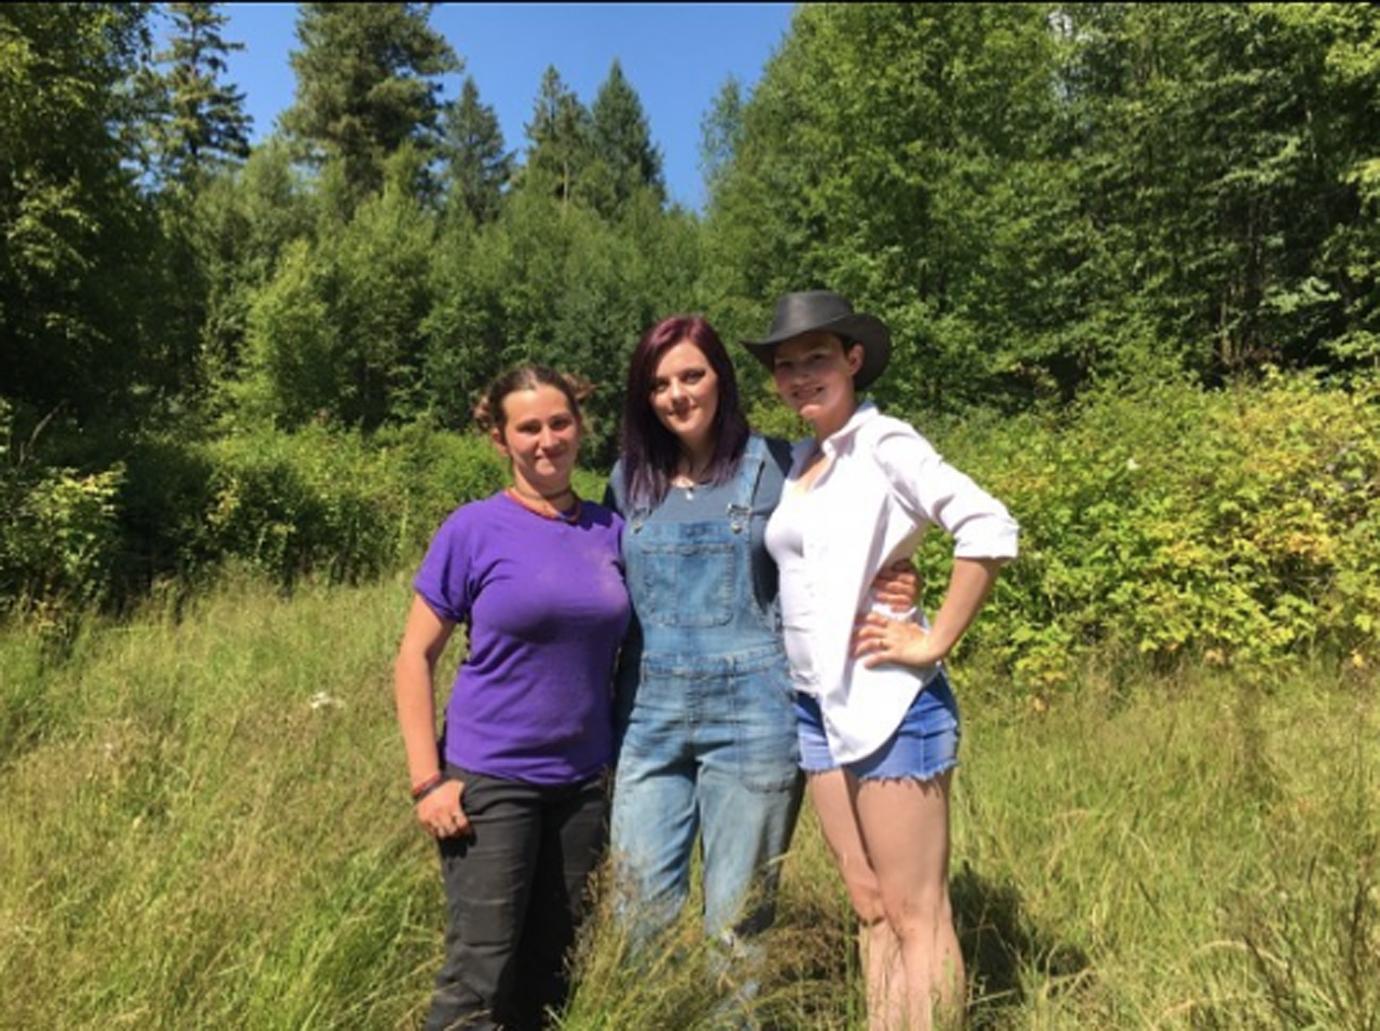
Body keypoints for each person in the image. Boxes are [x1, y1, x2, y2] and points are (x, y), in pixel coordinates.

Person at [604, 314, 918, 977]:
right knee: (638, 918)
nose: (678, 394)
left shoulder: (780, 464)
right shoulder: (626, 481)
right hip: (645, 721)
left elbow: (842, 540)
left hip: (753, 719)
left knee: (736, 924)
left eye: (693, 374)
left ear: (721, 378)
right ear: (644, 395)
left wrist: (893, 575)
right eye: (660, 383)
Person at [746, 291, 1019, 1030]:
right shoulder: (806, 458)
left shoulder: (885, 441)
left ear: (853, 360)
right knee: (868, 903)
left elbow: (988, 525)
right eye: (786, 364)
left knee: (916, 911)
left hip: (890, 703)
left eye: (817, 358)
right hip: (817, 705)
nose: (801, 374)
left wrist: (931, 639)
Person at [393, 365, 631, 1031]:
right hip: (490, 780)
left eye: (560, 422)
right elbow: (414, 655)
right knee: (479, 974)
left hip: (583, 784)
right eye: (528, 427)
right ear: (501, 439)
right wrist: (427, 780)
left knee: (555, 972)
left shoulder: (610, 530)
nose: (547, 439)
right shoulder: (472, 529)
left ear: (580, 426)